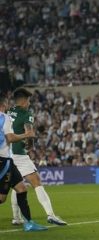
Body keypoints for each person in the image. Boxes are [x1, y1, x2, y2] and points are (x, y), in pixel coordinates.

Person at [7, 88, 67, 226]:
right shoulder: (25, 114)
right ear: (23, 101)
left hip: (6, 154)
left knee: (17, 185)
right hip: (19, 154)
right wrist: (30, 145)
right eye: (28, 100)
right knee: (37, 182)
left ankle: (16, 218)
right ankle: (51, 215)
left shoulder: (6, 112)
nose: (29, 103)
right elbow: (30, 132)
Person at [0, 95, 47, 232]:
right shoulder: (5, 117)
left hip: (7, 160)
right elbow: (10, 138)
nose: (9, 106)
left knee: (21, 188)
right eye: (7, 103)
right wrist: (26, 135)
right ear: (4, 104)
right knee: (2, 198)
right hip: (2, 160)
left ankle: (29, 223)